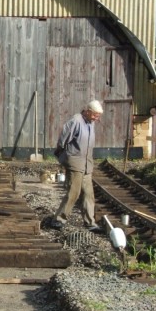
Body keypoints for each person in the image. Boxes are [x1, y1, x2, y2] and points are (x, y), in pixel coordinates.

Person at [50, 99, 103, 232]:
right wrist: (64, 157)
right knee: (74, 192)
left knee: (88, 194)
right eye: (95, 114)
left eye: (98, 115)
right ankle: (59, 219)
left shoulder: (91, 123)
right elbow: (63, 140)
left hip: (87, 164)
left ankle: (90, 222)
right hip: (75, 162)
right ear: (88, 111)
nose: (97, 117)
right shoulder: (76, 120)